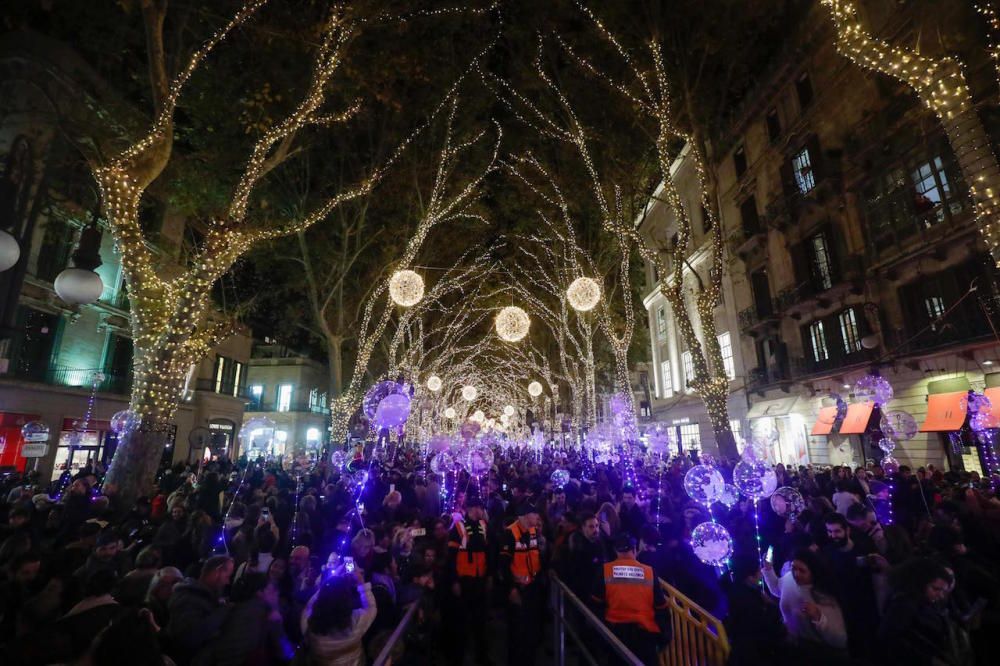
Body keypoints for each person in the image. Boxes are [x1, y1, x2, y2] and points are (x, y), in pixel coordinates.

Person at [879, 558, 973, 666]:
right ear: (922, 583)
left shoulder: (926, 600)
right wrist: (930, 660)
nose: (940, 595)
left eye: (943, 591)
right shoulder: (904, 604)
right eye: (936, 589)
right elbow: (890, 640)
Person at [590, 533, 667, 665]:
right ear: (635, 549)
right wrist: (663, 638)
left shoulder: (605, 570)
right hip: (645, 635)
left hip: (615, 635)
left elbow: (596, 603)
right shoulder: (649, 571)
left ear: (615, 551)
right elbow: (661, 607)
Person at [763, 548, 848, 662]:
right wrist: (768, 569)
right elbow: (777, 589)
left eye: (802, 570)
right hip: (792, 648)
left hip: (817, 655)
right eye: (793, 568)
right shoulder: (789, 578)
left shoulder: (823, 596)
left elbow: (840, 640)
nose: (796, 574)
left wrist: (819, 617)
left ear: (813, 571)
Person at [445, 496, 491, 666]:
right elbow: (451, 558)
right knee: (461, 623)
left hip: (480, 579)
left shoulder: (484, 526)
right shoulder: (458, 528)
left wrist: (489, 576)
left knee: (481, 622)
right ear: (471, 509)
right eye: (478, 508)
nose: (481, 511)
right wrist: (454, 581)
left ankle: (482, 657)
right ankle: (458, 659)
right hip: (464, 580)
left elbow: (488, 552)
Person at [300, 567, 376, 666]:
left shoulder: (308, 623)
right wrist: (361, 583)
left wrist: (331, 579)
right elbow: (371, 607)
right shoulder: (356, 620)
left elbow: (309, 606)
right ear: (347, 600)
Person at [166, 554, 234, 663]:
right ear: (218, 572)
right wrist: (223, 611)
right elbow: (189, 638)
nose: (228, 582)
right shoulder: (188, 600)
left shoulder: (203, 595)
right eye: (227, 576)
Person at [498, 502, 543, 666]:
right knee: (517, 631)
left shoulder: (532, 532)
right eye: (534, 514)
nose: (537, 517)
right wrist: (511, 588)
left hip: (532, 588)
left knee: (530, 630)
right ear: (524, 516)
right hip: (517, 590)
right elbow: (503, 565)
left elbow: (535, 556)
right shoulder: (510, 534)